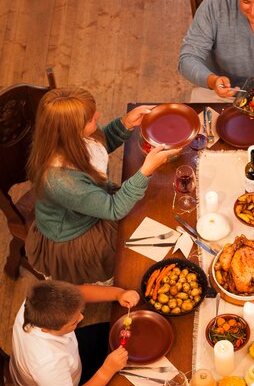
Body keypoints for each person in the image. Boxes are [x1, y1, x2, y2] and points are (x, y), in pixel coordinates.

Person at [25, 87, 174, 284]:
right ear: (72, 131)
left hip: (92, 201)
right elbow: (114, 210)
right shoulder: (61, 181)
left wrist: (125, 124)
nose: (98, 115)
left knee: (153, 206)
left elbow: (97, 147)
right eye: (90, 119)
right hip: (76, 232)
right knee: (143, 235)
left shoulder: (66, 139)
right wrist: (146, 171)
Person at [9, 280, 138, 386]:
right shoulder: (47, 364)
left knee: (112, 330)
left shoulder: (36, 300)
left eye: (80, 312)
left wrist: (118, 294)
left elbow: (77, 293)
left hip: (70, 359)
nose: (81, 317)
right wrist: (106, 370)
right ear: (47, 330)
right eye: (74, 322)